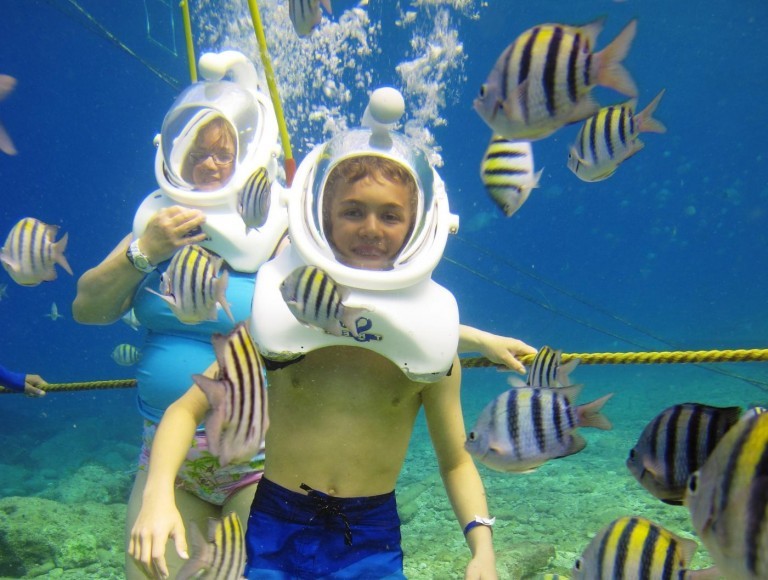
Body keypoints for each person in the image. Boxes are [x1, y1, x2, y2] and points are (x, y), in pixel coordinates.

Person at [128, 109, 536, 579]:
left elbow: (456, 460)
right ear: (321, 216)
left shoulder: (433, 345)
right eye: (352, 211)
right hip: (276, 521)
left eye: (390, 215)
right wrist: (157, 496)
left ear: (419, 223)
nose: (370, 228)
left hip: (369, 535)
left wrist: (482, 548)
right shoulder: (281, 318)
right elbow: (183, 411)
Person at [72, 51, 287, 579]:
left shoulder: (275, 230)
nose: (210, 164)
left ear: (247, 158)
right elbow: (87, 310)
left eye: (224, 153)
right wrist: (143, 251)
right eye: (197, 151)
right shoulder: (154, 225)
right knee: (150, 574)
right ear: (174, 154)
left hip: (261, 459)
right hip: (168, 459)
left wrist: (470, 337)